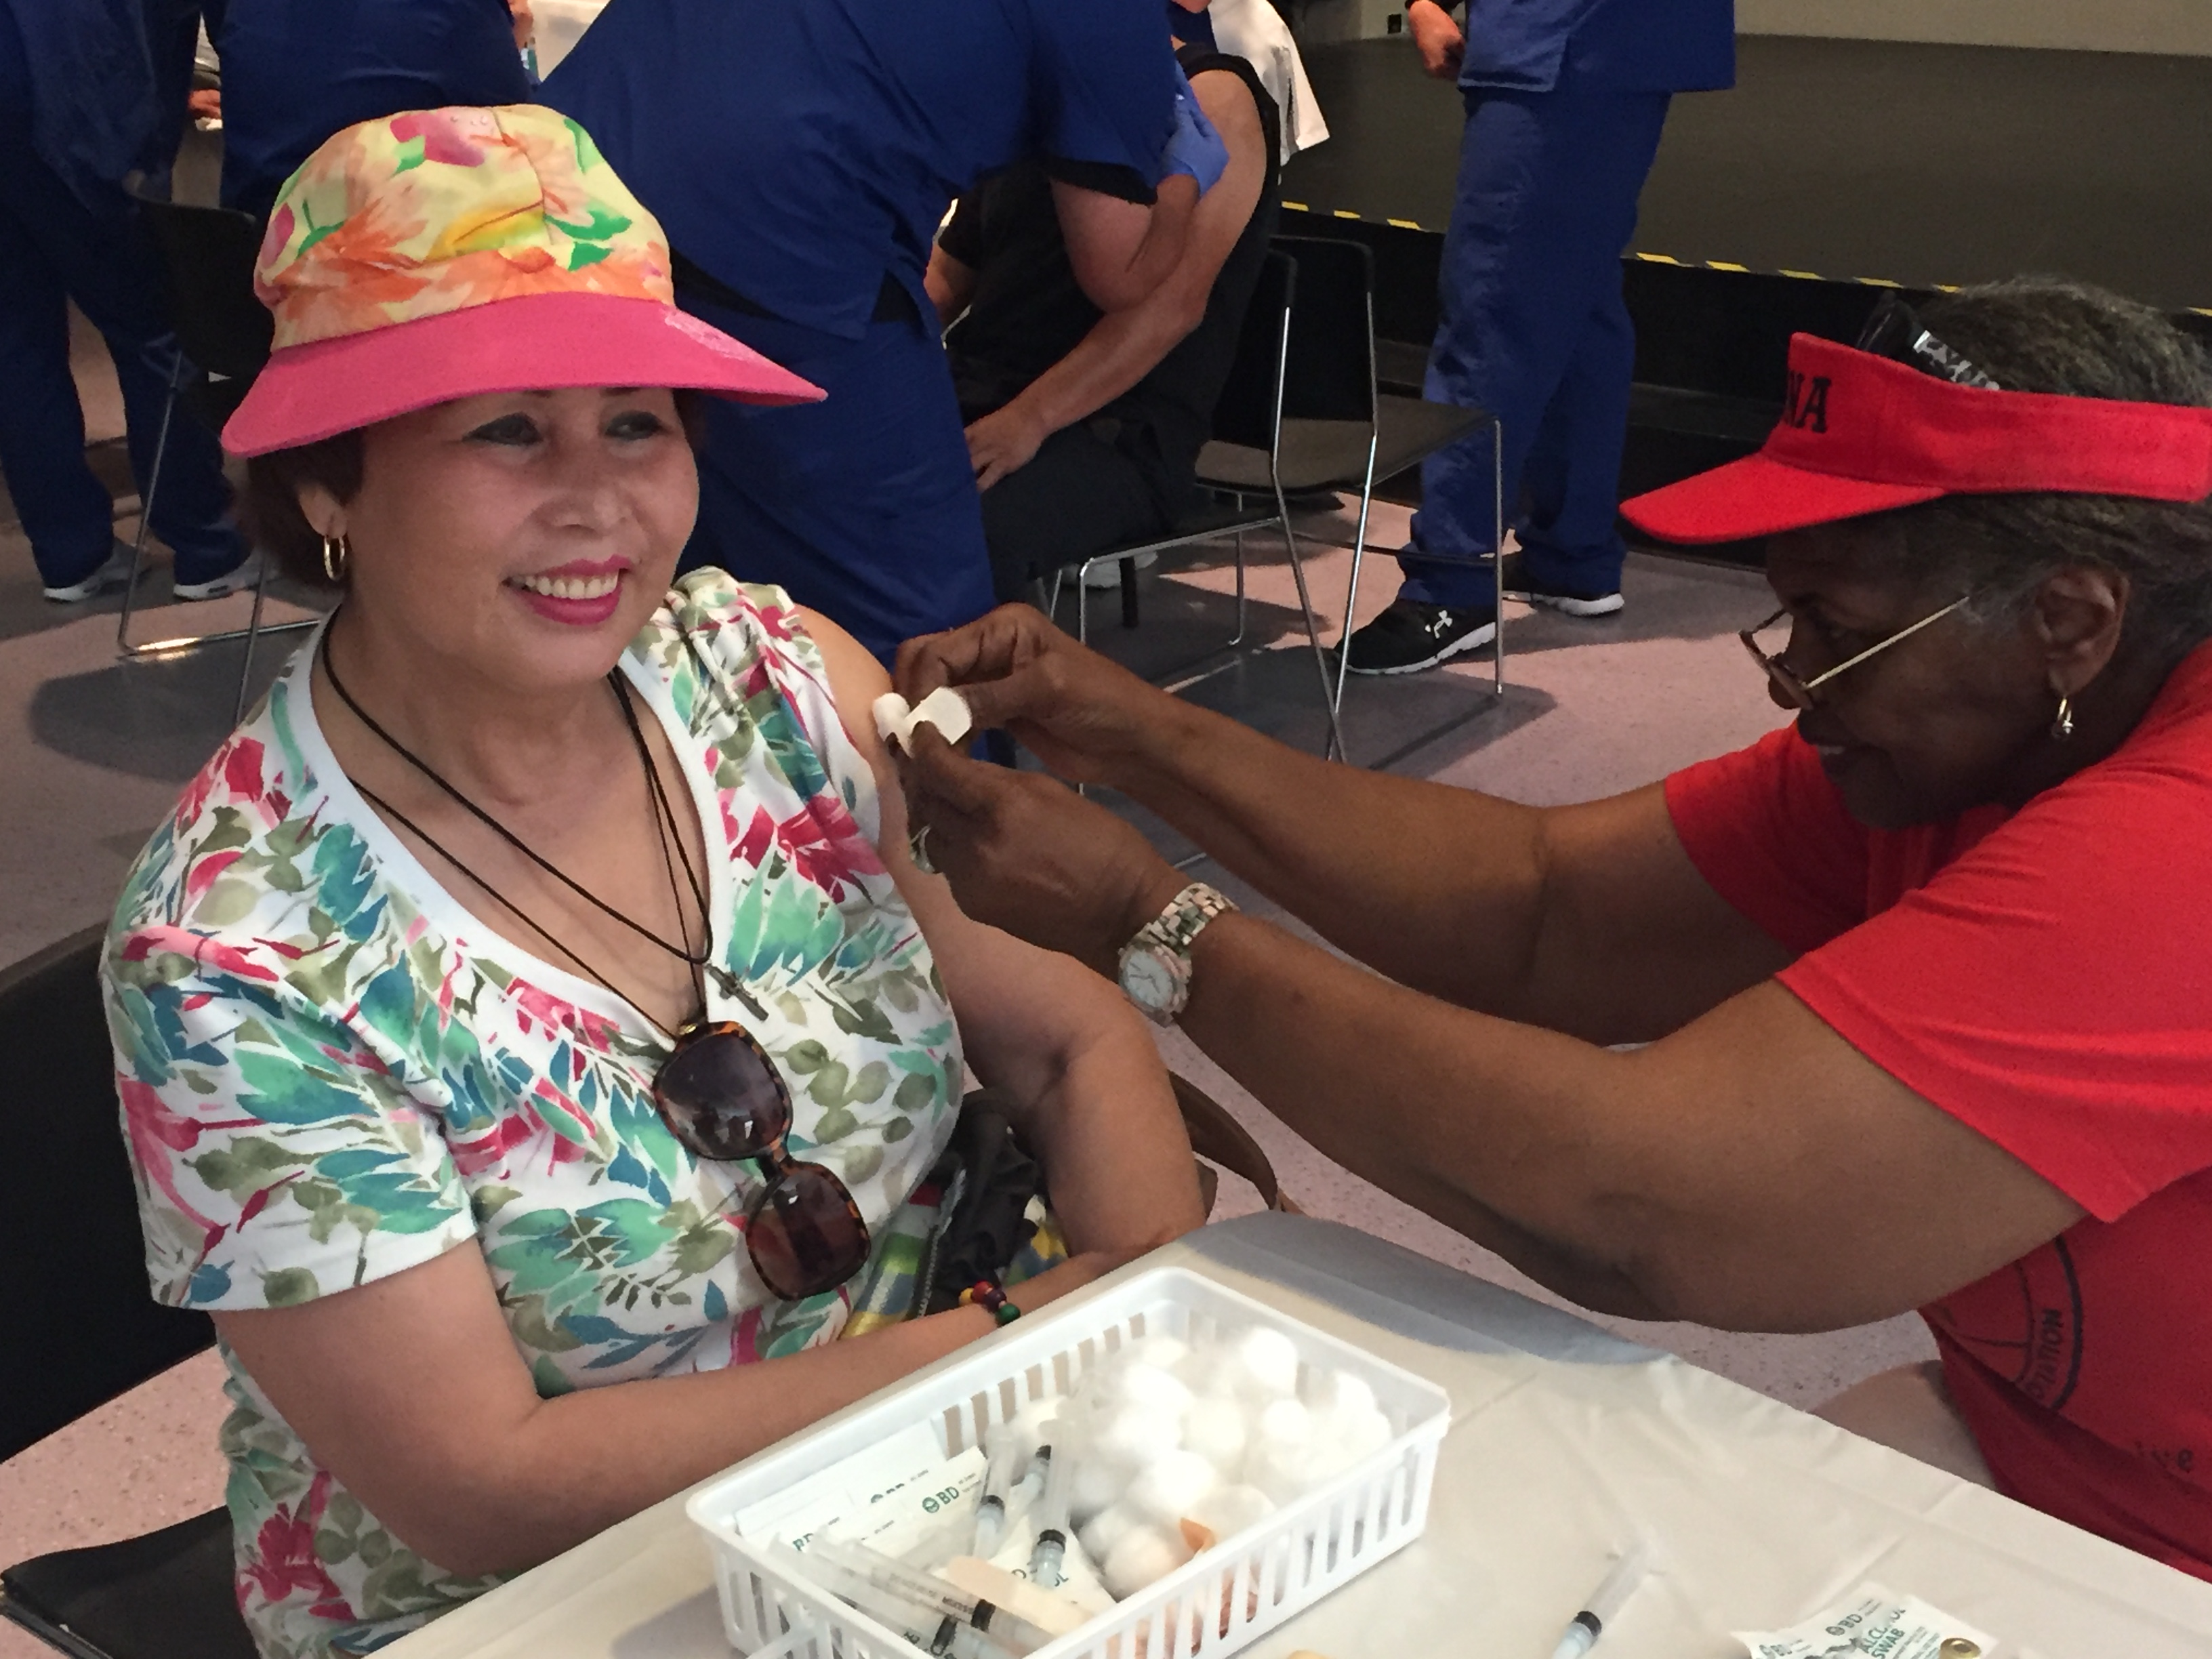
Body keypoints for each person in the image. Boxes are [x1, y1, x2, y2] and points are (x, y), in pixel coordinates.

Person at [890, 280, 2212, 1576]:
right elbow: (1545, 907)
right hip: (2043, 1456)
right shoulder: (1957, 751)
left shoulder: (2175, 851)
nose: (1797, 685)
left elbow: (1648, 1207)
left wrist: (1149, 920)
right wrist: (1149, 738)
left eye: (1842, 632)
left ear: (2071, 623)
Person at [103, 106, 1204, 1658]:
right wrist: (1027, 1338)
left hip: (947, 1483)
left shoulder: (773, 678)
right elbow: (483, 1485)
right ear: (328, 482)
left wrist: (1146, 1325)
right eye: (507, 429)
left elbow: (1062, 1032)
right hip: (561, 1599)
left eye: (639, 420)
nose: (600, 498)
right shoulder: (245, 953)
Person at [543, 0, 1221, 662]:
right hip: (779, 244)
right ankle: (923, 769)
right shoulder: (1120, 24)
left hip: (570, 201)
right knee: (927, 643)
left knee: (657, 592)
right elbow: (1125, 273)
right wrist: (1183, 167)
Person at [1338, 0, 1734, 674]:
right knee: (1576, 299)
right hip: (1578, 38)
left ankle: (1452, 581)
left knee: (1496, 302)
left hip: (1567, 36)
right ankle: (1571, 552)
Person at [930, 0, 1279, 602]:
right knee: (828, 482)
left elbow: (1168, 310)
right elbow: (947, 274)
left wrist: (1027, 420)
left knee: (957, 539)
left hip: (1111, 424)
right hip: (984, 388)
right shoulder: (1031, 95)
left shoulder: (1214, 96)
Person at [0, 0, 253, 603]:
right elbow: (239, 23)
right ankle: (205, 545)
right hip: (74, 98)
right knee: (158, 326)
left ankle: (71, 554)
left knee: (16, 340)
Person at [209, 0, 531, 222]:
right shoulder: (451, 11)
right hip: (389, 287)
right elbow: (522, 136)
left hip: (250, 272)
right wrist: (513, 37)